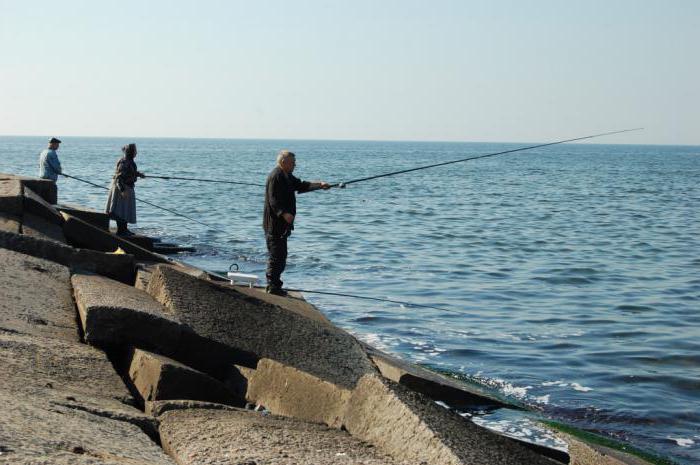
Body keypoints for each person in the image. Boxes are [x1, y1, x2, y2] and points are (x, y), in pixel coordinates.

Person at [263, 150, 330, 295]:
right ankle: (272, 287)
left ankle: (275, 285)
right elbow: (273, 200)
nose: (295, 165)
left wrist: (320, 185)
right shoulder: (276, 176)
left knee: (281, 256)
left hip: (282, 226)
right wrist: (284, 214)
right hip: (274, 225)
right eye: (293, 162)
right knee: (276, 256)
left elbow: (301, 185)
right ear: (283, 163)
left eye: (294, 162)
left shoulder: (287, 176)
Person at [105, 143, 145, 236]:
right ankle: (121, 231)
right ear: (131, 152)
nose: (136, 153)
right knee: (121, 210)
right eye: (135, 151)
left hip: (127, 187)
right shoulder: (124, 162)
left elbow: (130, 172)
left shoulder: (129, 162)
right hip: (123, 188)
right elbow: (119, 178)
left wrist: (138, 174)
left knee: (125, 210)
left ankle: (124, 229)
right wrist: (122, 190)